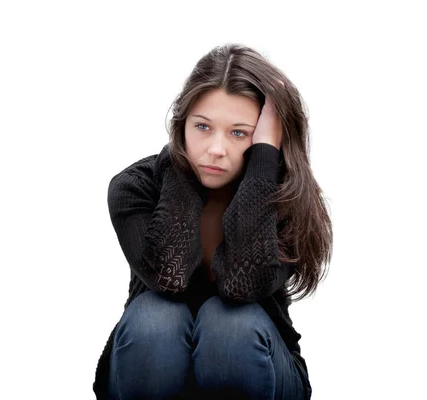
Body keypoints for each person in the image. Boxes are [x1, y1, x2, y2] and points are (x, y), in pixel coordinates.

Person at [93, 43, 333, 400]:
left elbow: (242, 287)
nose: (216, 149)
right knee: (157, 318)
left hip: (259, 369)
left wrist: (263, 162)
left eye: (239, 132)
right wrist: (179, 167)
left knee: (229, 323)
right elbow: (168, 278)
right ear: (181, 124)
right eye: (202, 127)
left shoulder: (286, 195)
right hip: (148, 366)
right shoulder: (134, 188)